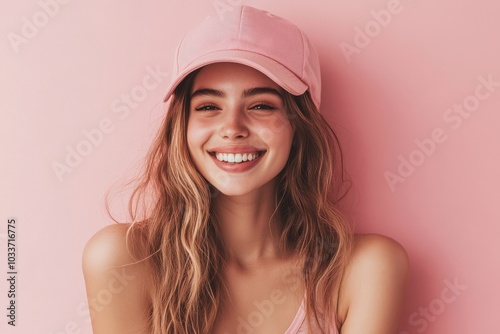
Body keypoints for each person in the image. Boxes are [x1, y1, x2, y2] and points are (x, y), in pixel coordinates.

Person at [82, 5, 409, 334]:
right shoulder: (124, 260)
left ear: (299, 126)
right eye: (209, 106)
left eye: (261, 105)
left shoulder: (367, 269)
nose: (232, 128)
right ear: (182, 128)